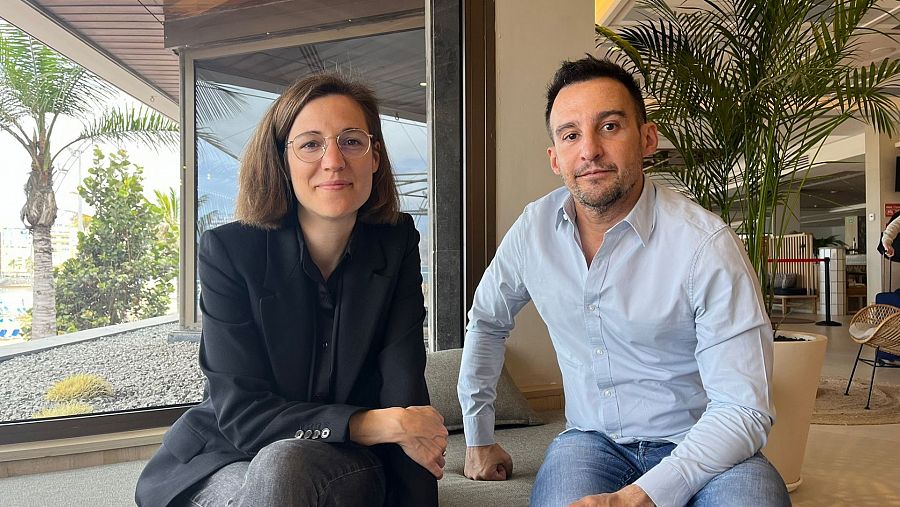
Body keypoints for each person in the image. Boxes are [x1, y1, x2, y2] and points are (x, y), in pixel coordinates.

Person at [457, 55, 790, 507]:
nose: (589, 150)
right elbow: (487, 321)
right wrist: (478, 438)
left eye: (610, 126)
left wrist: (643, 495)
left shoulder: (705, 244)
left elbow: (743, 407)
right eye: (571, 135)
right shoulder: (533, 231)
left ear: (646, 138)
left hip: (704, 443)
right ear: (555, 158)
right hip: (591, 443)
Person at [136, 74, 447, 507]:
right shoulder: (229, 250)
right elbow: (243, 413)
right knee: (272, 473)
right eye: (310, 144)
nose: (334, 160)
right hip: (228, 456)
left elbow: (404, 390)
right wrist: (375, 424)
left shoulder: (396, 244)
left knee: (286, 465)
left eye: (352, 141)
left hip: (339, 463)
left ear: (375, 157)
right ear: (282, 161)